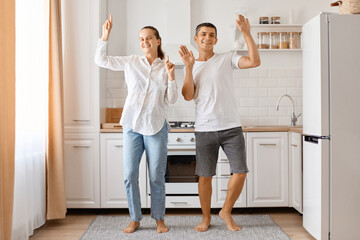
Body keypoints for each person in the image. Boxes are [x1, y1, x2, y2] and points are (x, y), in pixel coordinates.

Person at [95, 15, 178, 234]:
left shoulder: (166, 66)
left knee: (156, 176)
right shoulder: (131, 61)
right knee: (129, 174)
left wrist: (171, 76)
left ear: (158, 40)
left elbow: (171, 99)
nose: (144, 42)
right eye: (141, 39)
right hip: (131, 125)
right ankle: (135, 218)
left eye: (149, 38)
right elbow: (101, 61)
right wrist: (105, 36)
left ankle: (159, 219)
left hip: (156, 126)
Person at [179, 14, 260, 232]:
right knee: (205, 176)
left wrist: (246, 33)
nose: (207, 38)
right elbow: (187, 95)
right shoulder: (190, 64)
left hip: (231, 127)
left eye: (212, 35)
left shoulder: (227, 58)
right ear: (196, 39)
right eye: (203, 34)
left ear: (216, 40)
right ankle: (206, 218)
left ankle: (225, 211)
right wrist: (188, 67)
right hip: (205, 128)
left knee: (240, 171)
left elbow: (254, 61)